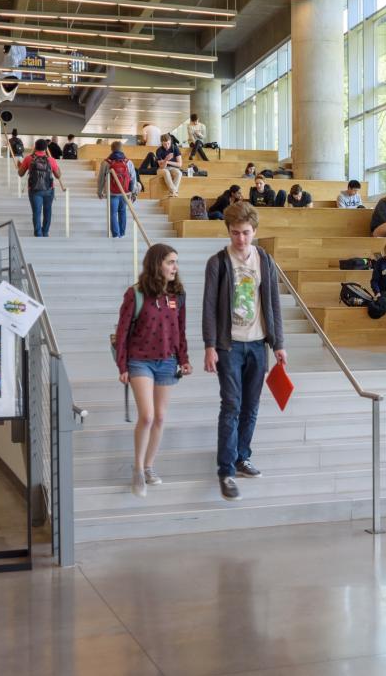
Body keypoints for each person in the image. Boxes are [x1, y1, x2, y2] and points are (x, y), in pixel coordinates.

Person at [203, 202, 287, 501]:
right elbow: (210, 308)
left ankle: (242, 457)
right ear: (228, 231)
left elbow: (273, 303)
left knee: (251, 406)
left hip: (258, 343)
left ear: (255, 231)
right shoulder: (218, 263)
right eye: (236, 233)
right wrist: (210, 346)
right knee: (232, 405)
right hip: (229, 345)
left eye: (246, 233)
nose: (241, 239)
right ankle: (225, 470)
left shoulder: (264, 260)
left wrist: (278, 344)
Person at [114, 243, 192, 497]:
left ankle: (149, 466)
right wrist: (122, 365)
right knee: (146, 416)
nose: (175, 267)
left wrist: (184, 359)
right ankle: (137, 468)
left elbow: (180, 331)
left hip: (167, 361)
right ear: (157, 263)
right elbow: (123, 332)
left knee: (160, 417)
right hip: (140, 361)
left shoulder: (177, 295)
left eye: (176, 262)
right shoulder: (135, 294)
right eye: (170, 262)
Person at [17, 139, 62, 237]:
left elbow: (20, 174)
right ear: (46, 148)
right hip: (49, 189)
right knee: (48, 211)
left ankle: (38, 234)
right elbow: (58, 175)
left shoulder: (29, 158)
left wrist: (19, 166)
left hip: (34, 190)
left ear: (35, 147)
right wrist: (58, 168)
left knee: (36, 212)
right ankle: (45, 232)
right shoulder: (51, 160)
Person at [97, 141, 139, 238]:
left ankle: (116, 234)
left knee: (113, 213)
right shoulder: (128, 162)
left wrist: (99, 191)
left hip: (112, 193)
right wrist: (133, 193)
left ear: (111, 149)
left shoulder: (106, 162)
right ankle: (122, 234)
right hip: (125, 192)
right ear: (121, 149)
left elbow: (101, 179)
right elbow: (133, 178)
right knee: (122, 212)